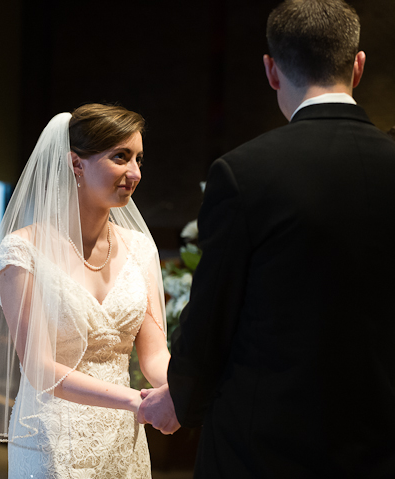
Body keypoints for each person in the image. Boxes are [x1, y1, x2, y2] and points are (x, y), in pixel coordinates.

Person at [138, 0, 395, 477]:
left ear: (271, 70)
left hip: (265, 445)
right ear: (358, 66)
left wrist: (182, 400)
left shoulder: (245, 172)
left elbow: (213, 310)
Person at [0, 104, 170, 477]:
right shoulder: (22, 251)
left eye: (139, 159)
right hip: (53, 436)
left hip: (123, 439)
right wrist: (138, 403)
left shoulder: (141, 248)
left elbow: (155, 356)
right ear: (76, 164)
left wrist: (178, 390)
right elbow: (40, 367)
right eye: (120, 157)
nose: (135, 173)